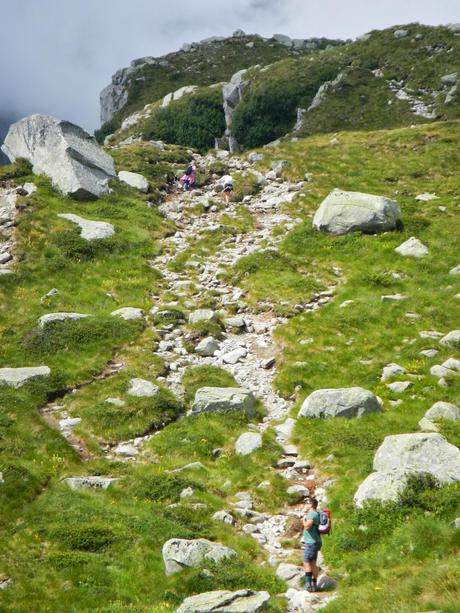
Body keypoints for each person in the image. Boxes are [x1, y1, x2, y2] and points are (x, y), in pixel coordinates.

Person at [302, 497, 322, 592]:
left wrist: (303, 520)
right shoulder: (316, 514)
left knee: (307, 562)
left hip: (311, 542)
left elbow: (307, 526)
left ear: (311, 504)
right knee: (313, 563)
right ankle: (314, 585)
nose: (305, 504)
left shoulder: (311, 514)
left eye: (307, 502)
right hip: (316, 541)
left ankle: (308, 585)